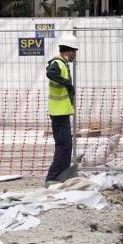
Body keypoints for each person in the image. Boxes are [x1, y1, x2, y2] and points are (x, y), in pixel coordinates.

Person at [45, 33, 79, 184]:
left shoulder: (63, 64)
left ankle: (61, 175)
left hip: (62, 112)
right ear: (68, 51)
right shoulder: (57, 63)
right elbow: (50, 73)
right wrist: (66, 83)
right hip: (58, 113)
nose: (75, 55)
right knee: (63, 145)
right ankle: (53, 177)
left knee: (66, 145)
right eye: (74, 51)